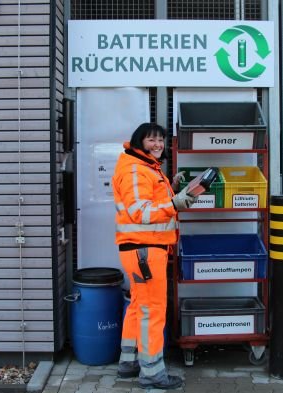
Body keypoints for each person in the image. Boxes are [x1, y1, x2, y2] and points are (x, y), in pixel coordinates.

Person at [112, 122, 195, 390]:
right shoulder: (137, 169)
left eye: (160, 140)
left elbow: (146, 201)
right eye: (151, 140)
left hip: (139, 250)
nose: (157, 144)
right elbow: (141, 212)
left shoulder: (145, 167)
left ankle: (128, 363)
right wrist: (175, 203)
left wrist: (170, 186)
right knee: (153, 311)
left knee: (139, 305)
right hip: (145, 250)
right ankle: (152, 373)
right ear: (139, 142)